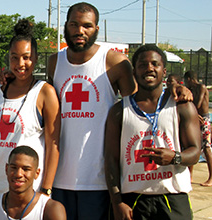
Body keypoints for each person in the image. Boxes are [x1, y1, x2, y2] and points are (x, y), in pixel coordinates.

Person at [45, 3, 192, 219]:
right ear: (65, 26)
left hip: (98, 180)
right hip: (58, 178)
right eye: (74, 24)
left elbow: (140, 105)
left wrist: (173, 87)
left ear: (96, 29)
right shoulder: (54, 62)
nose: (79, 31)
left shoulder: (114, 61)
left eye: (87, 26)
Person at [0, 19, 61, 208]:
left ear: (35, 59)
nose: (21, 63)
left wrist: (46, 189)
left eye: (27, 57)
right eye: (14, 57)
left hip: (25, 189)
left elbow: (54, 144)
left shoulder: (45, 92)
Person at [104, 44, 201, 220]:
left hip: (172, 197)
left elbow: (195, 152)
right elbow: (111, 159)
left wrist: (174, 157)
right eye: (142, 65)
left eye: (155, 64)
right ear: (134, 72)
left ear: (164, 71)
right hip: (132, 199)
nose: (149, 68)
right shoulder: (118, 111)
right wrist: (117, 201)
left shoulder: (182, 106)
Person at [0, 146, 66, 220]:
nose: (18, 174)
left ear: (37, 173)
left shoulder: (51, 210)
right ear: (6, 169)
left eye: (26, 169)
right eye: (14, 167)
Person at [184, 70, 212, 186]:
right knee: (191, 145)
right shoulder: (191, 90)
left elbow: (198, 103)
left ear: (189, 79)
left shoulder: (201, 87)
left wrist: (194, 112)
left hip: (203, 119)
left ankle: (211, 177)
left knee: (206, 147)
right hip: (195, 118)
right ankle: (189, 175)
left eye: (186, 81)